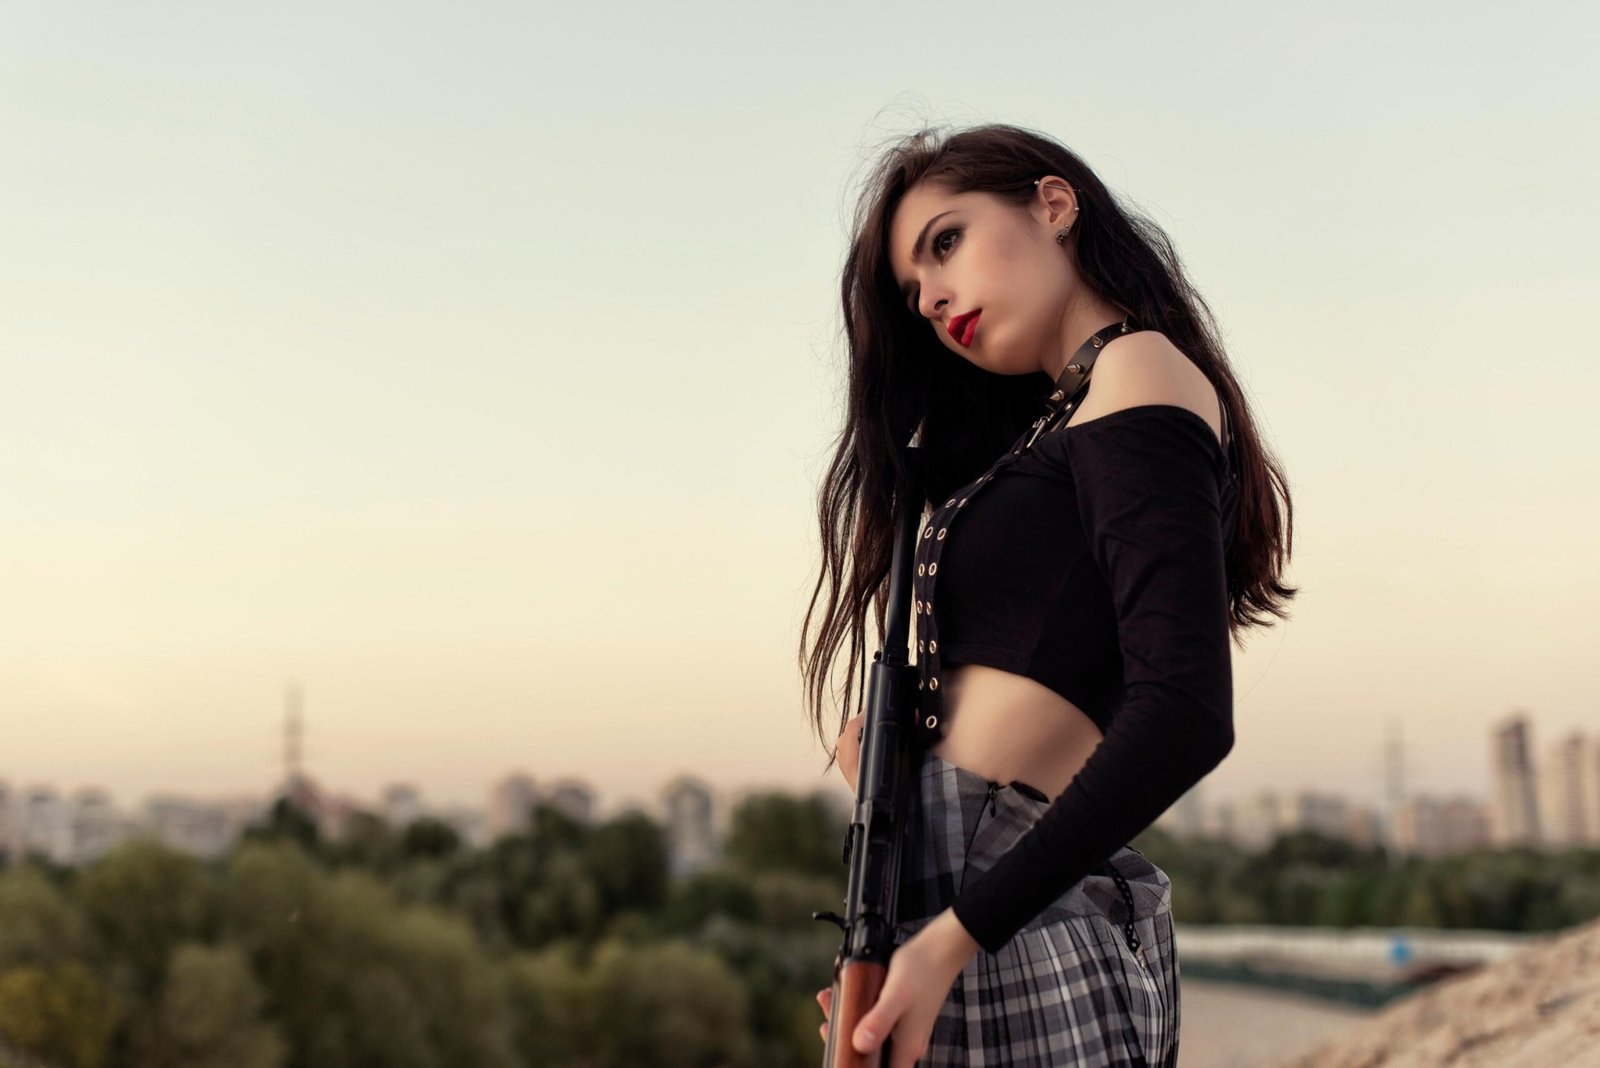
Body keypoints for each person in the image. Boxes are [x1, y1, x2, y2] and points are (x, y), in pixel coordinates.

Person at [800, 123, 1295, 1067]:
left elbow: (1186, 710)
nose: (934, 296)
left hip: (1001, 920)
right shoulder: (1051, 426)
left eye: (945, 242)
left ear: (1053, 205)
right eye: (912, 293)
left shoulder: (1135, 369)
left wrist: (950, 940)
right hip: (958, 914)